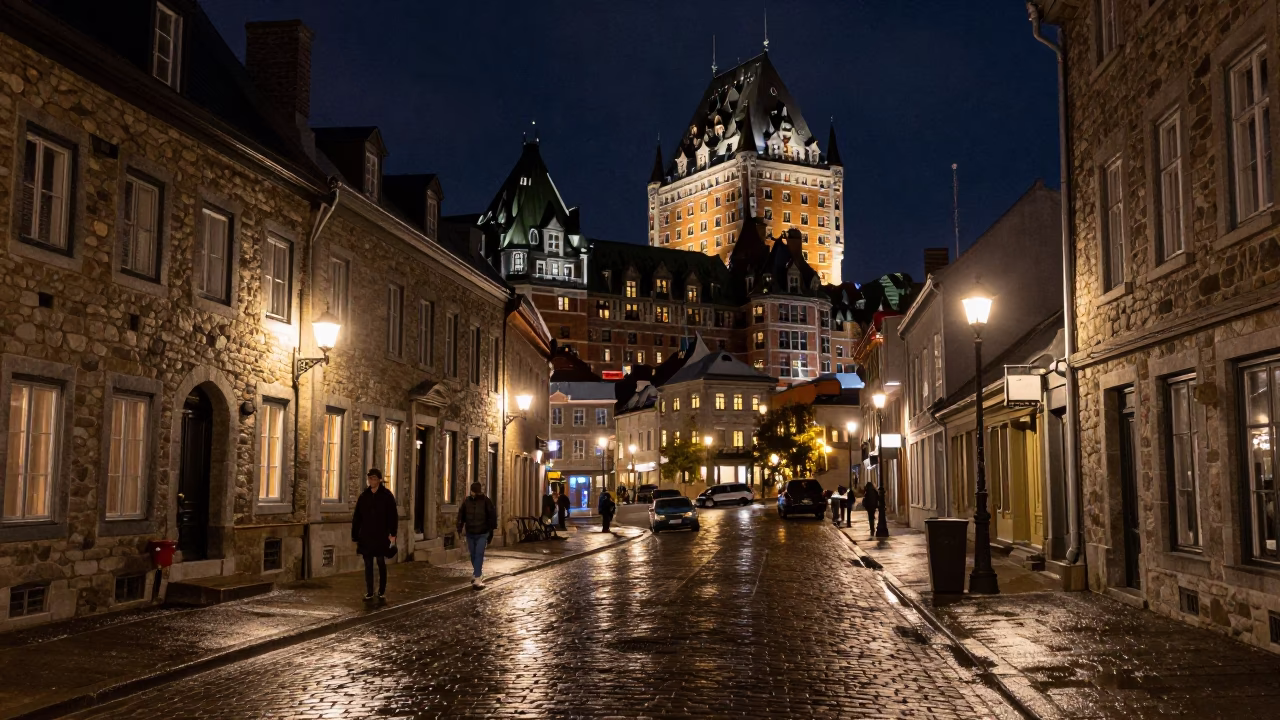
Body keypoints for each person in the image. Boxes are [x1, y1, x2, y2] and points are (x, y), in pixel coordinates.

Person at [352, 468, 397, 601]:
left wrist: (393, 533)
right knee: (368, 564)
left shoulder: (387, 496)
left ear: (379, 480)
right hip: (366, 535)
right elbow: (357, 517)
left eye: (374, 478)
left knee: (380, 561)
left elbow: (392, 516)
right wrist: (355, 534)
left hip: (381, 535)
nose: (371, 481)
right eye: (370, 478)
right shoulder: (364, 496)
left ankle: (381, 590)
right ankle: (370, 591)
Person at [456, 482, 497, 588]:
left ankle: (478, 577)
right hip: (470, 533)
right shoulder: (467, 502)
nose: (473, 493)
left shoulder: (486, 501)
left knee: (479, 553)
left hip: (482, 533)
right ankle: (476, 573)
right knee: (473, 555)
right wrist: (459, 527)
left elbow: (492, 516)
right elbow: (461, 515)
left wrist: (491, 531)